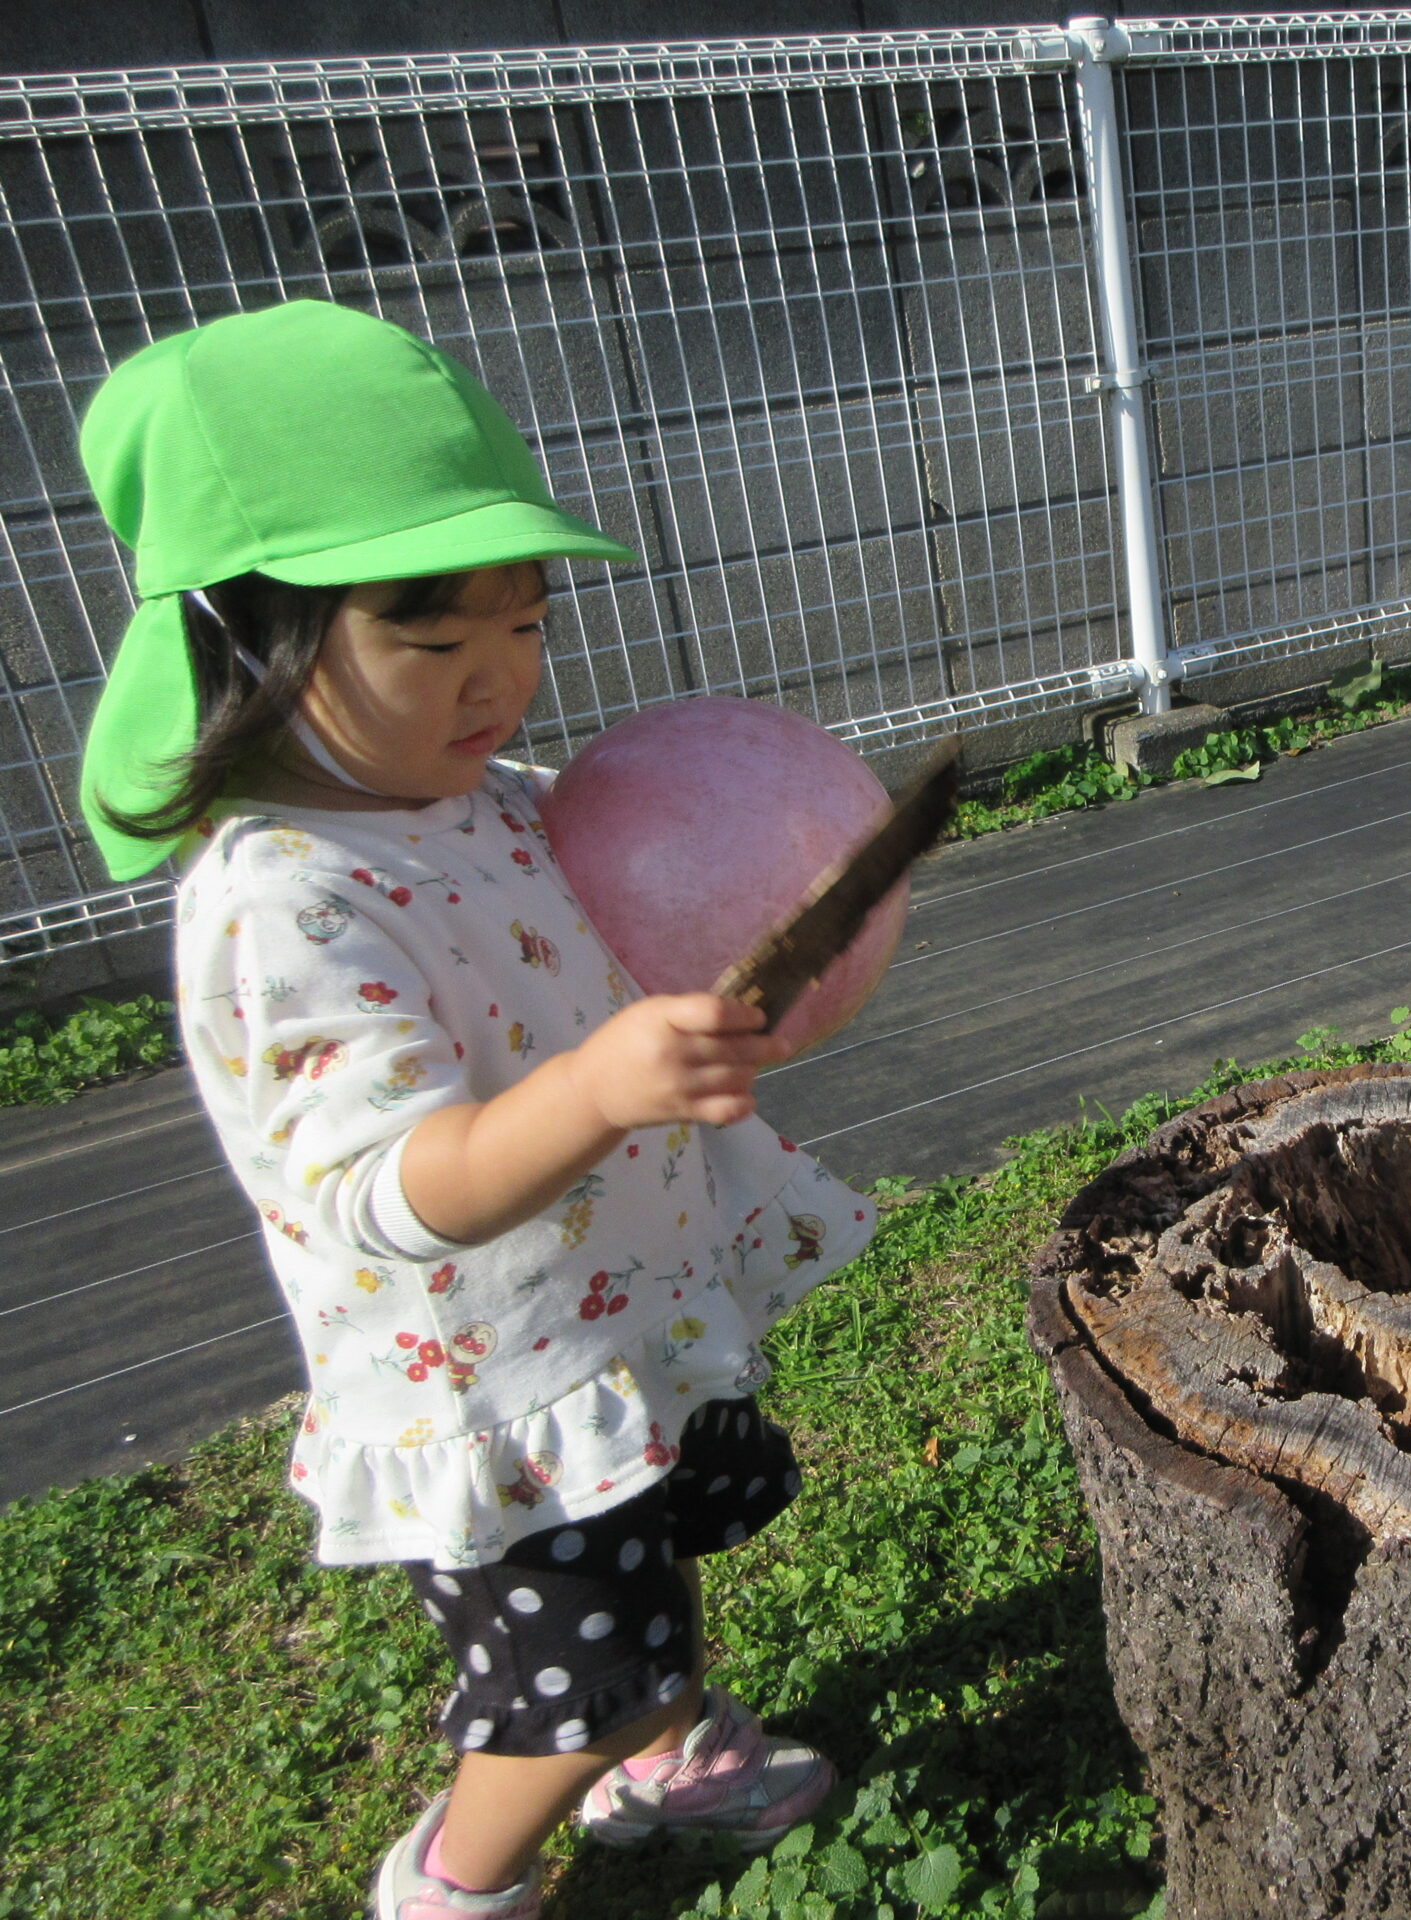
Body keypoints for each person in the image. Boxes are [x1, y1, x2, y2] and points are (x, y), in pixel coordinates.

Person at [76, 302, 876, 1920]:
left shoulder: (483, 799)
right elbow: (388, 1189)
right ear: (246, 634)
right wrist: (600, 1085)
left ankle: (661, 1746)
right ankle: (456, 1880)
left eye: (527, 619)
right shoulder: (286, 903)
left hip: (604, 1309)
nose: (498, 674)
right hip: (497, 1382)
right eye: (432, 638)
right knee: (555, 1686)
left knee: (643, 1566)